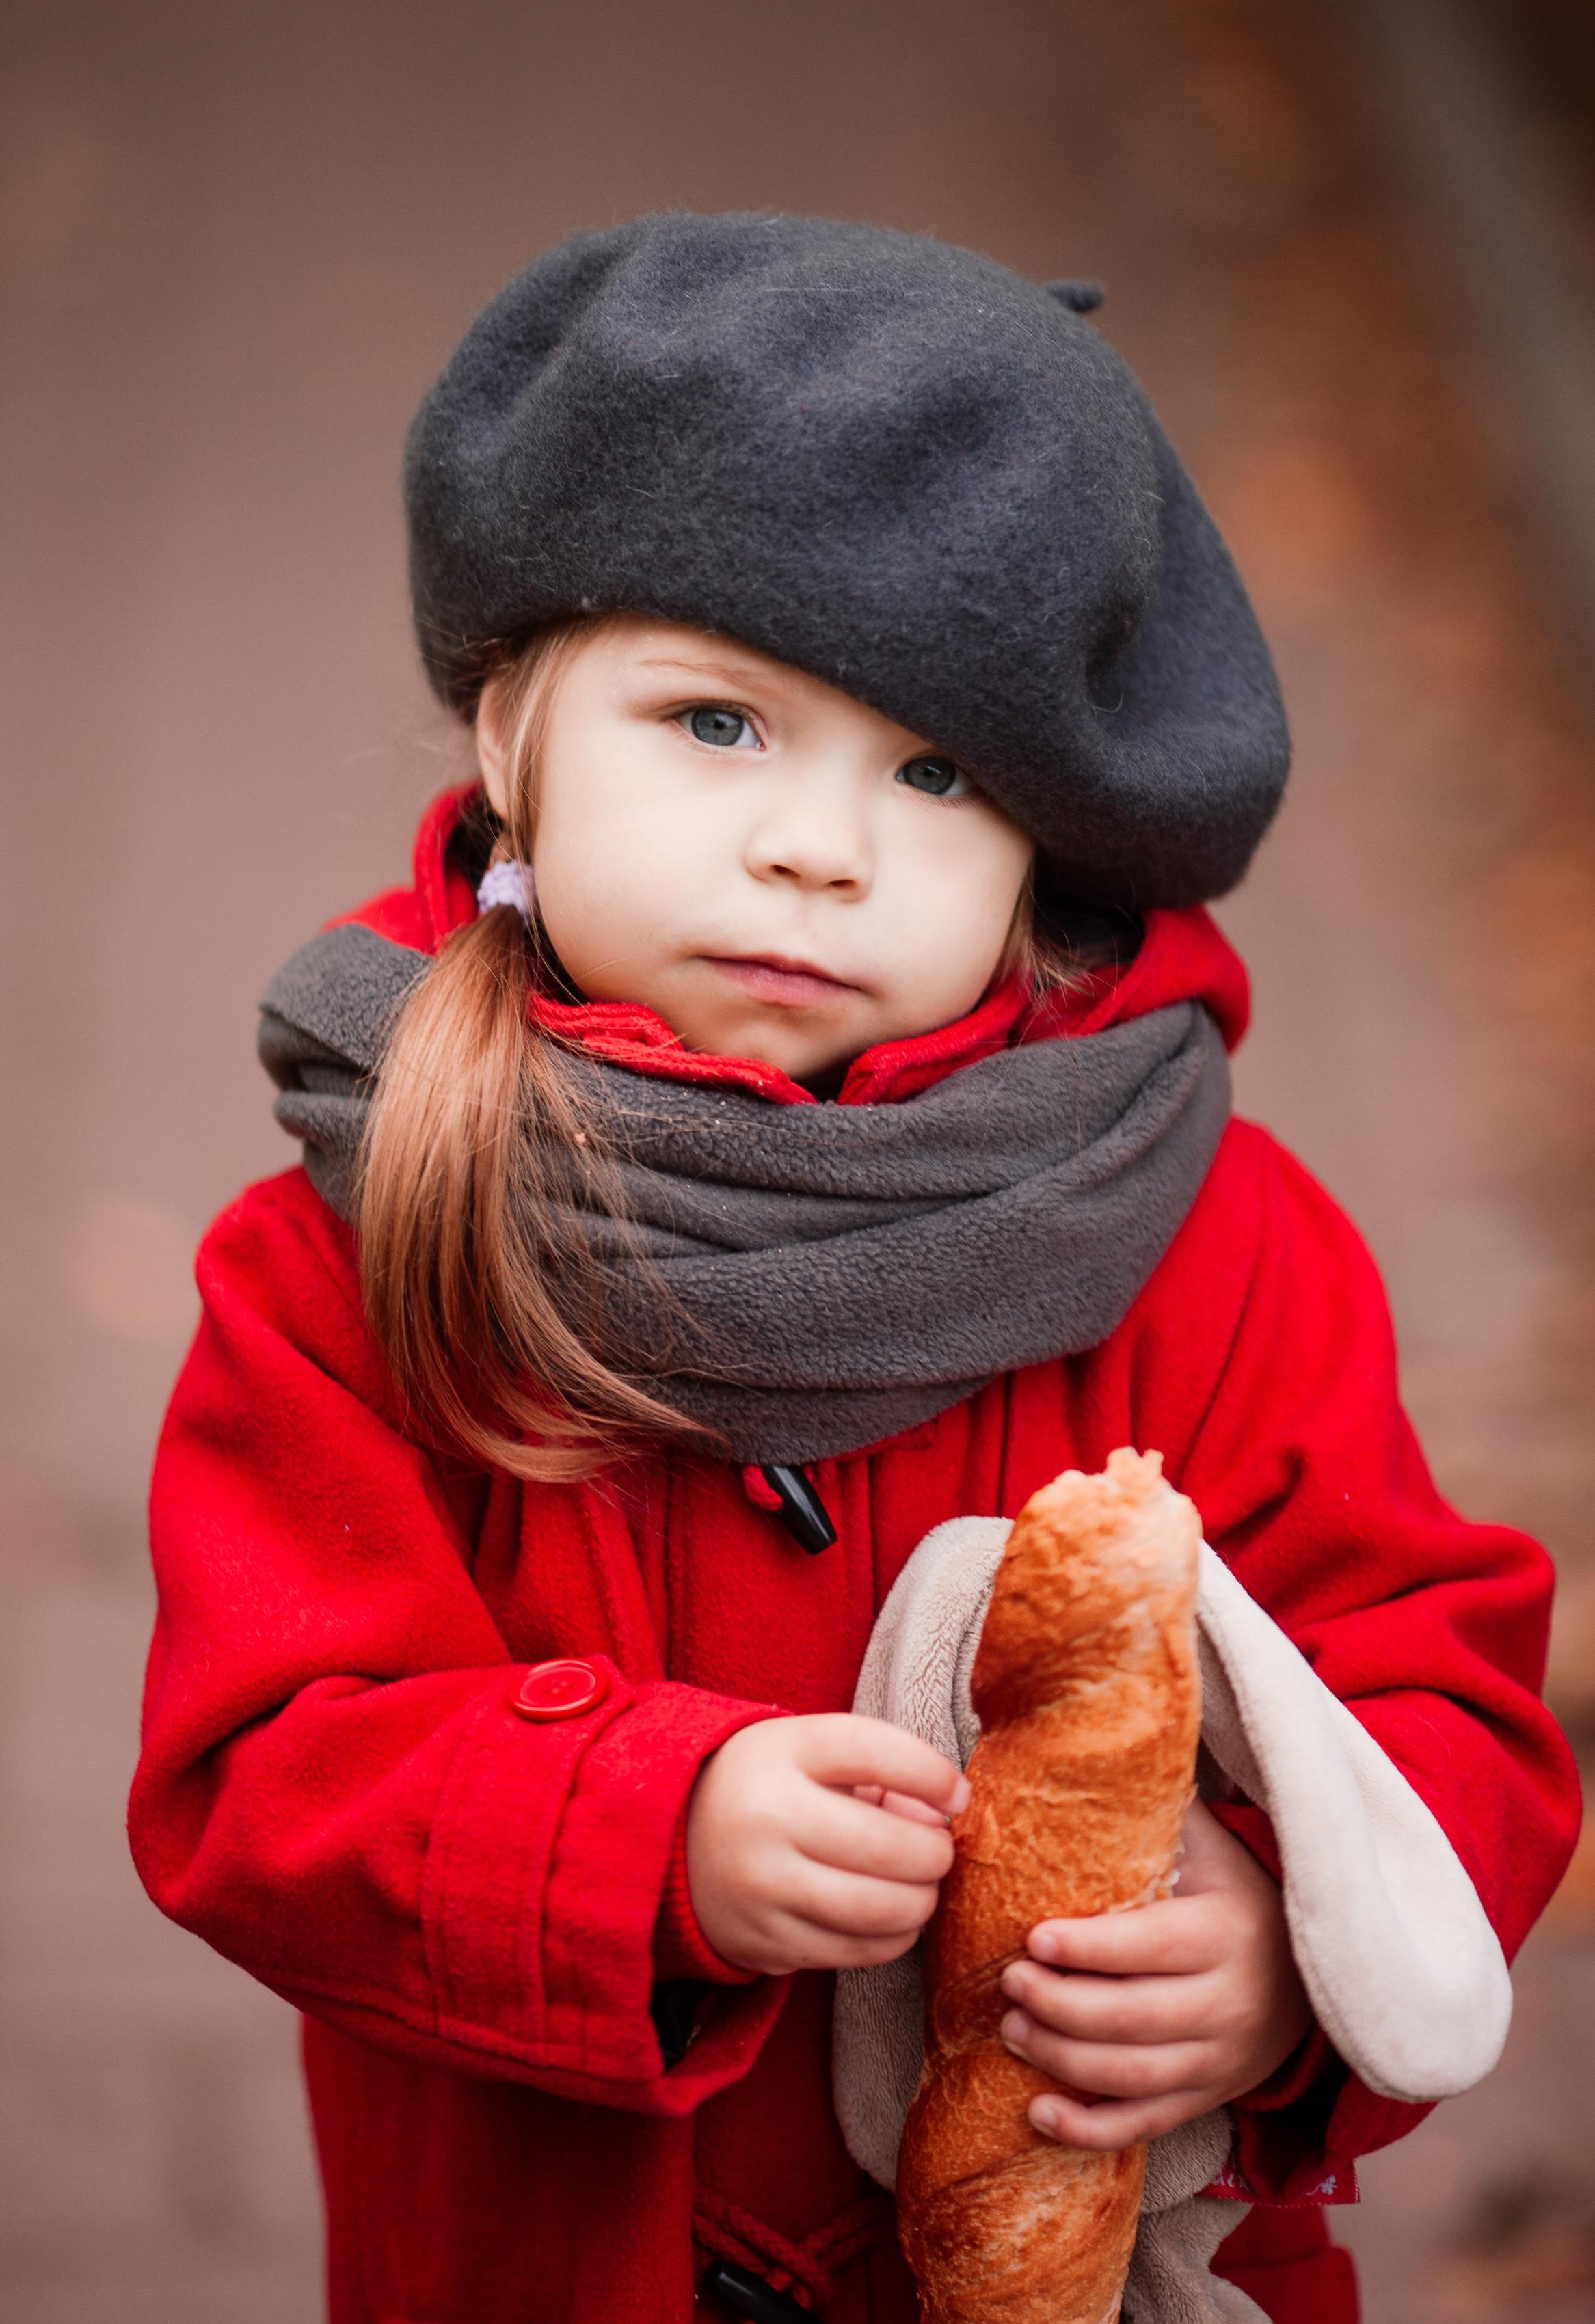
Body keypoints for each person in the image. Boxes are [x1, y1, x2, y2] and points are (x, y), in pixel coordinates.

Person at [129, 214, 1579, 2324]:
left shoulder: (1212, 1240)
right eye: (719, 722)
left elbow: (1439, 1688)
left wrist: (1288, 1947)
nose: (822, 844)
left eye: (936, 767)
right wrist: (647, 1828)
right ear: (517, 738)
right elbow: (262, 1770)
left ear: (1054, 840)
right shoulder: (363, 1250)